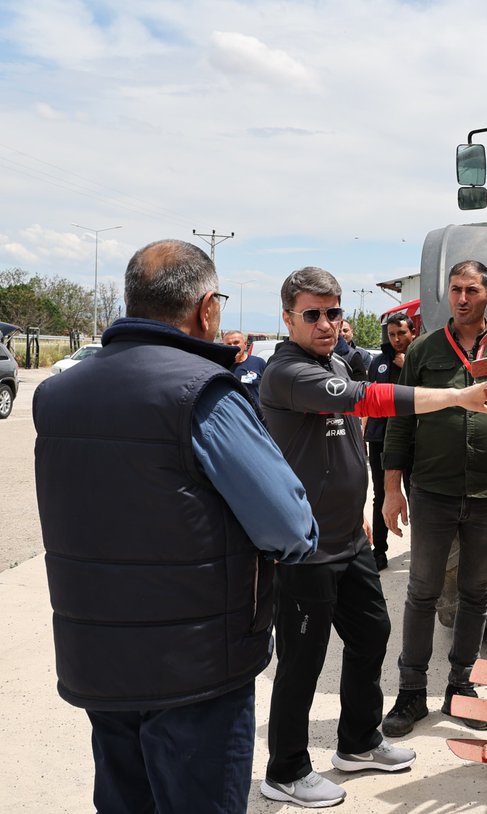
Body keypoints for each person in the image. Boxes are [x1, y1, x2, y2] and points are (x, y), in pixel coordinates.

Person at [32, 239, 320, 814]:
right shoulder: (203, 394)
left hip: (99, 658)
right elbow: (290, 526)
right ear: (207, 308)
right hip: (196, 668)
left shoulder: (57, 395)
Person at [259, 266, 487, 808]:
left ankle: (358, 742)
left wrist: (357, 508)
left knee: (371, 634)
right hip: (306, 547)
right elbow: (368, 401)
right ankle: (286, 770)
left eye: (335, 312)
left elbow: (339, 448)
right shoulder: (288, 373)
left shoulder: (330, 361)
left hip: (347, 537)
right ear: (287, 318)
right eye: (313, 314)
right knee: (303, 659)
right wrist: (455, 398)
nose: (327, 324)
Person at [380, 260, 487, 737]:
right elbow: (400, 419)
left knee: (476, 593)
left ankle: (462, 687)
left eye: (471, 290)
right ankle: (411, 694)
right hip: (433, 492)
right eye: (455, 289)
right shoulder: (423, 350)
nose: (462, 298)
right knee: (422, 592)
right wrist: (392, 489)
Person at [365, 312, 416, 571]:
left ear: (412, 333)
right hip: (380, 437)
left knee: (416, 492)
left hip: (413, 439)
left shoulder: (419, 360)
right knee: (381, 494)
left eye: (401, 333)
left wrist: (406, 366)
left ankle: (421, 551)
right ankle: (379, 551)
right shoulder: (378, 362)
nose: (396, 339)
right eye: (392, 334)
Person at [223, 329, 268, 405]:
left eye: (236, 342)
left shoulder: (258, 363)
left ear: (245, 344)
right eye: (229, 344)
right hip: (231, 415)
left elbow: (269, 391)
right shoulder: (220, 366)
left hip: (255, 415)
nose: (233, 346)